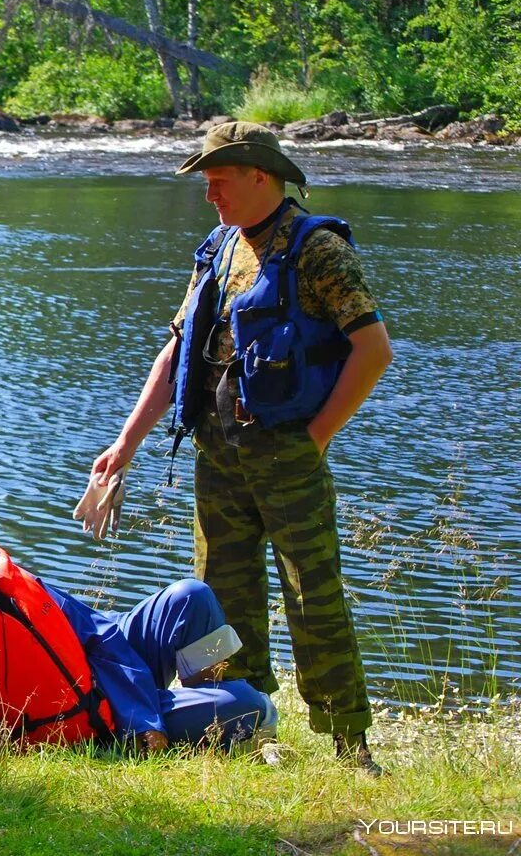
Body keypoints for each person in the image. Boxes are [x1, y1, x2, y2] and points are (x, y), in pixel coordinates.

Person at [88, 121, 393, 771]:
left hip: (287, 453)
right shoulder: (219, 247)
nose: (209, 195)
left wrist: (317, 436)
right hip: (217, 452)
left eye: (218, 180)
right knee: (222, 597)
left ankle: (349, 745)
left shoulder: (318, 250)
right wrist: (125, 444)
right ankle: (247, 725)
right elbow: (176, 352)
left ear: (261, 175)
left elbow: (373, 349)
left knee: (314, 595)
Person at [0, 512, 273, 756]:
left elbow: (99, 635)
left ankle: (205, 690)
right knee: (254, 708)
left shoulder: (4, 578)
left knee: (191, 596)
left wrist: (141, 718)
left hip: (114, 688)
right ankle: (214, 715)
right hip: (91, 723)